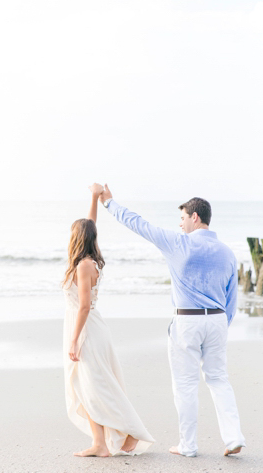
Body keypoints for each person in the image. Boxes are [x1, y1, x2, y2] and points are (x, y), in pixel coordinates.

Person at [98, 184, 246, 458]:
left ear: (195, 217)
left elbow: (139, 225)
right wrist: (221, 326)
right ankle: (234, 437)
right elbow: (231, 299)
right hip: (217, 321)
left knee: (186, 385)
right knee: (219, 380)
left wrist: (109, 203)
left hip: (187, 322)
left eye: (182, 218)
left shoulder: (179, 243)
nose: (180, 224)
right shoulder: (227, 252)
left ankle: (188, 446)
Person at [62, 183, 154, 457]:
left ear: (75, 238)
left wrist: (75, 339)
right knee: (86, 386)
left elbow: (85, 306)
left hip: (86, 330)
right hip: (87, 328)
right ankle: (100, 444)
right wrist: (93, 197)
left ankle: (132, 433)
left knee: (96, 387)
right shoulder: (87, 260)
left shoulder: (83, 266)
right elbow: (90, 224)